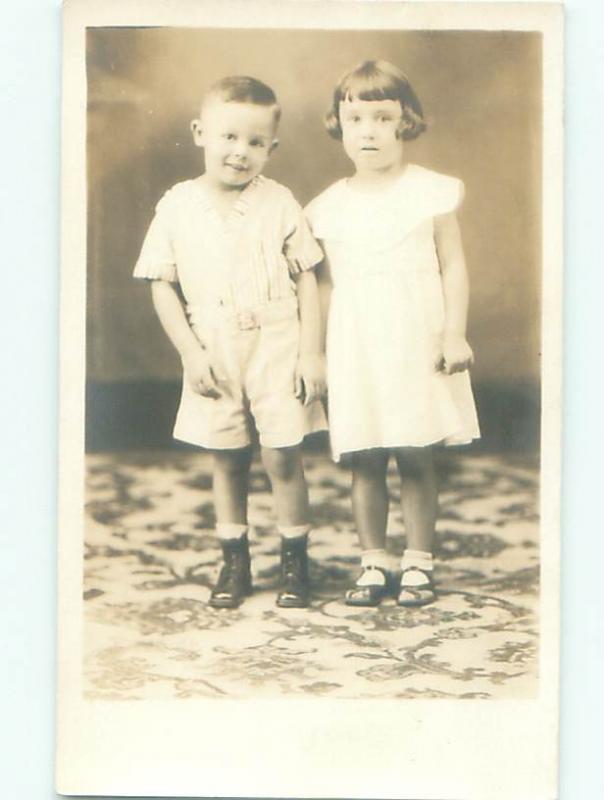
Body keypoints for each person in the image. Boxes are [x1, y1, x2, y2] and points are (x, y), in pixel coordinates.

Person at [133, 76, 327, 609]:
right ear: (201, 133)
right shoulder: (177, 205)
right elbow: (161, 284)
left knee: (283, 455)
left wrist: (312, 351)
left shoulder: (280, 202)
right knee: (227, 456)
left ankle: (294, 561)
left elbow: (308, 277)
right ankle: (234, 561)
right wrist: (191, 353)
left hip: (277, 342)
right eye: (229, 137)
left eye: (255, 142)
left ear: (272, 148)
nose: (240, 153)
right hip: (213, 346)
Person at [306, 60, 480, 607]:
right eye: (355, 118)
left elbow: (452, 265)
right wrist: (317, 353)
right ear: (339, 124)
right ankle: (374, 561)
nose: (369, 131)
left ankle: (419, 563)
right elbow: (320, 286)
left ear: (406, 121)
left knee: (416, 452)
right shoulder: (327, 207)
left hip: (417, 338)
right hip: (358, 344)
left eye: (383, 118)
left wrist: (455, 332)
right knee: (365, 455)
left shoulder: (430, 192)